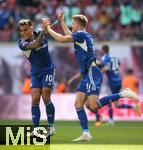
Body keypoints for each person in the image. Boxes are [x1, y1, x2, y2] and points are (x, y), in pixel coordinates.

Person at [42, 12, 139, 141]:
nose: (72, 24)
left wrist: (48, 29)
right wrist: (62, 22)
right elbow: (69, 35)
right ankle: (86, 133)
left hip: (92, 72)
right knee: (78, 103)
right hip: (87, 73)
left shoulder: (81, 34)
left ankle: (123, 94)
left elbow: (62, 39)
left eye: (73, 22)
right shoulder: (82, 35)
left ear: (78, 24)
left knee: (93, 106)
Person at [18, 19, 56, 138]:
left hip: (48, 69)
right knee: (35, 99)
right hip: (35, 73)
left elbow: (49, 29)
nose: (23, 33)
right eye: (21, 31)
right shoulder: (22, 44)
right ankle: (36, 129)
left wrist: (53, 24)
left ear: (31, 28)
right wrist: (43, 31)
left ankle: (51, 127)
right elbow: (36, 44)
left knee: (45, 96)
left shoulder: (40, 31)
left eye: (25, 30)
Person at [95, 45, 141, 126]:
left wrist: (99, 72)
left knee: (109, 100)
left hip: (112, 81)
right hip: (118, 80)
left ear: (103, 50)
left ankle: (111, 120)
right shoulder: (114, 57)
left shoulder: (105, 58)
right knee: (117, 105)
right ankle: (134, 107)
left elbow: (107, 68)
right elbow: (117, 65)